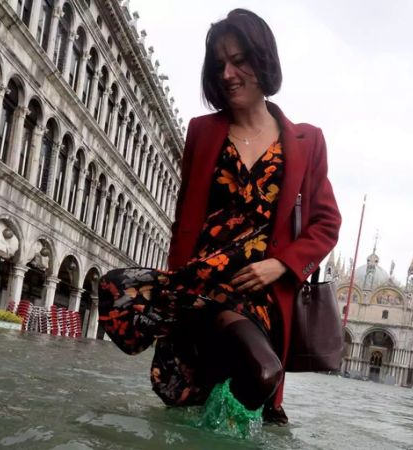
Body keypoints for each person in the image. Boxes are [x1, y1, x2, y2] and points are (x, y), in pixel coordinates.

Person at [98, 8, 341, 427]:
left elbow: (327, 222)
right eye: (219, 65)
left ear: (263, 59)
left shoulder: (307, 140)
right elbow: (186, 217)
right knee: (118, 290)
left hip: (259, 288)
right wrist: (179, 278)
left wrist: (280, 264)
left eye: (239, 60)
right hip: (203, 281)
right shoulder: (202, 131)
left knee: (262, 374)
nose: (228, 74)